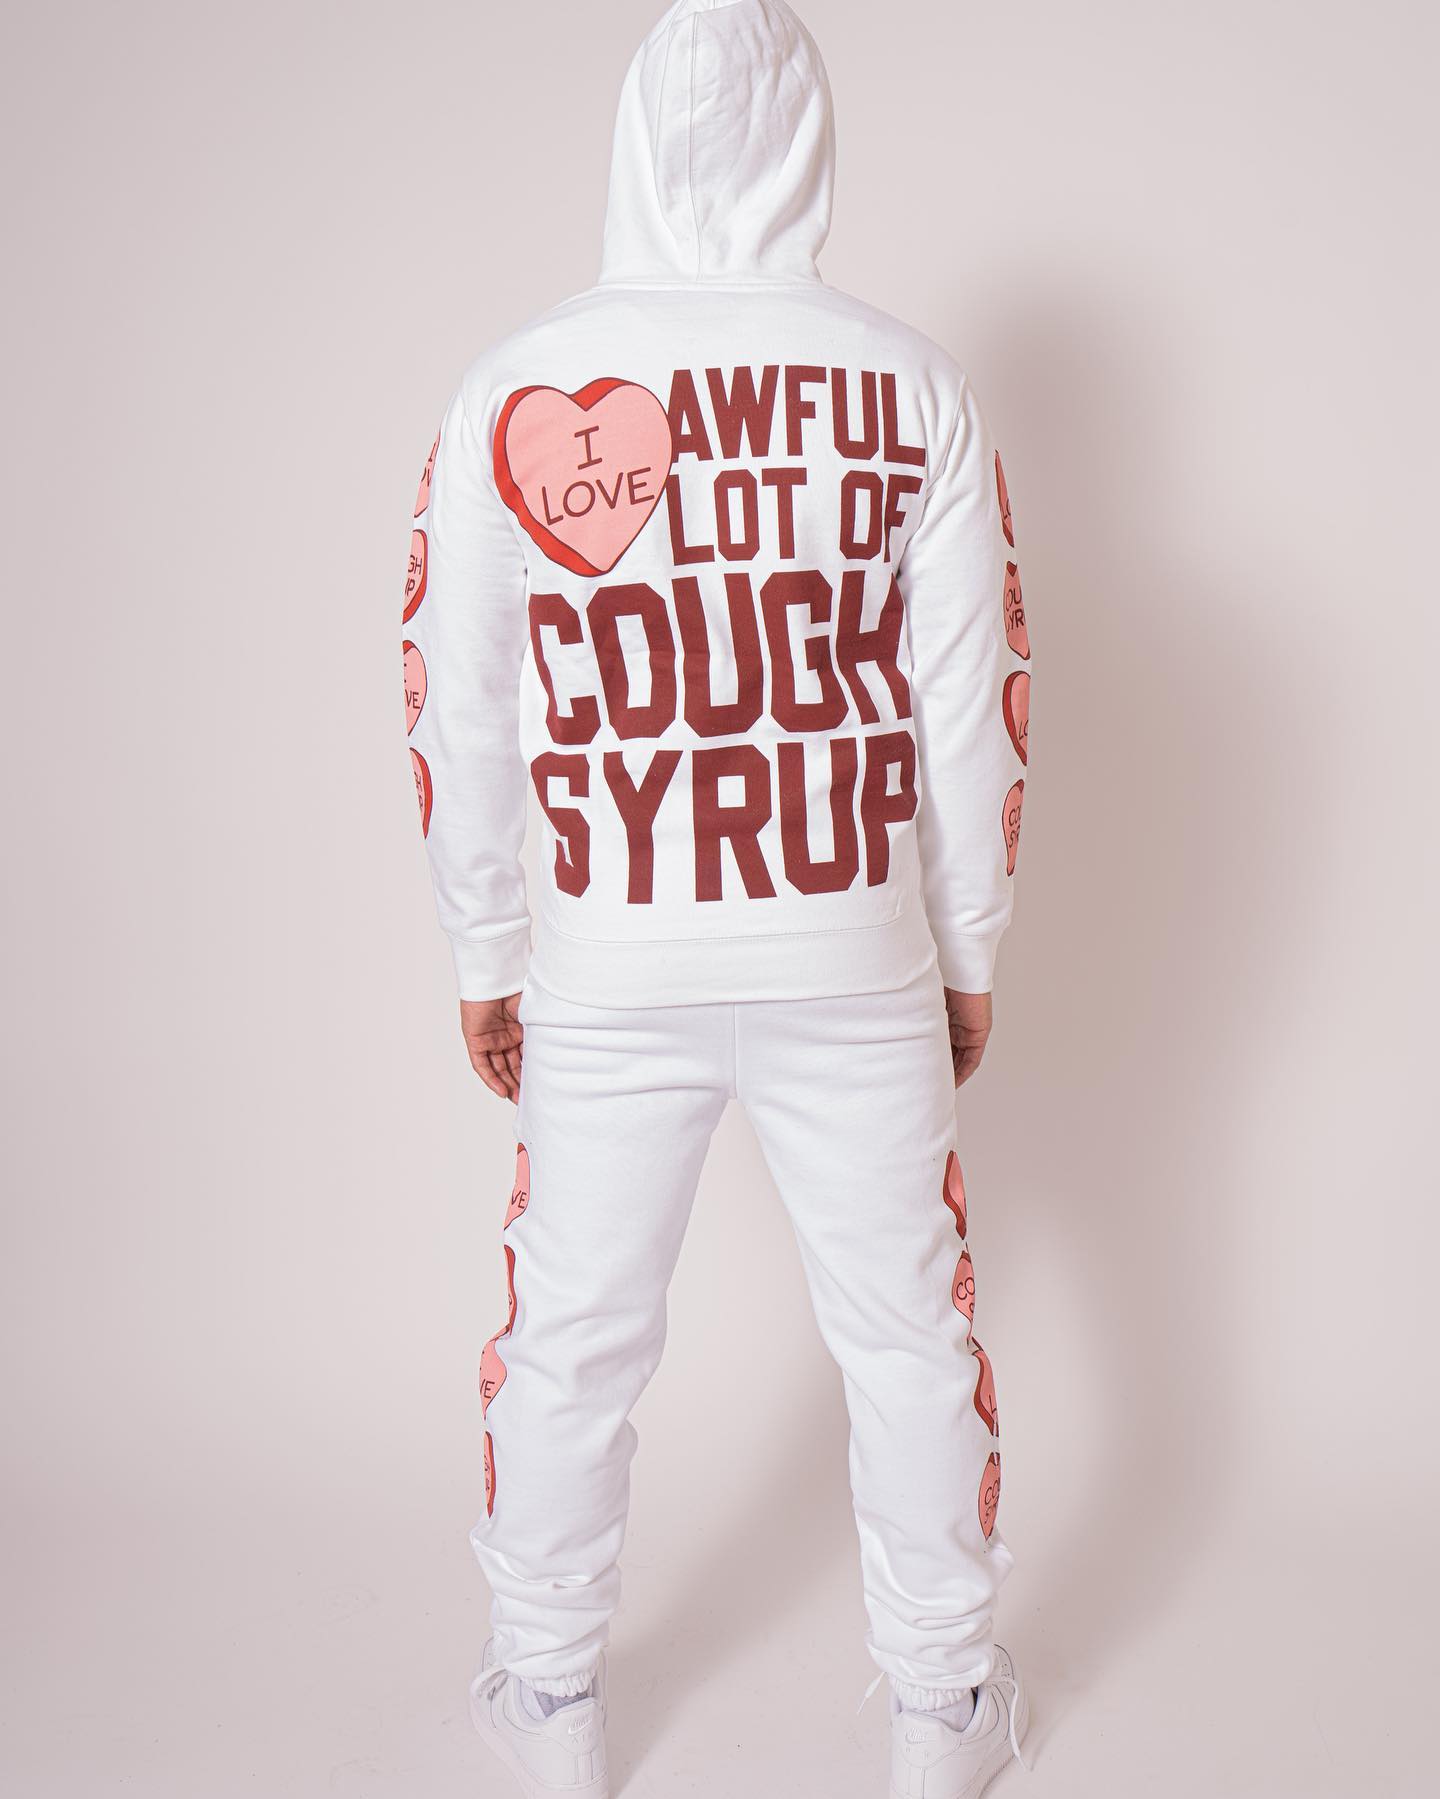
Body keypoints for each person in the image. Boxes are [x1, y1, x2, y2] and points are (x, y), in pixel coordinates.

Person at [401, 3, 1032, 1793]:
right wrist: (967, 946)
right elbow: (972, 704)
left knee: (572, 1344)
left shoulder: (511, 387)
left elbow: (461, 697)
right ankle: (943, 1712)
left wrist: (487, 942)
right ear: (808, 143)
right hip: (856, 948)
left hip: (608, 958)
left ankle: (548, 1706)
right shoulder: (912, 385)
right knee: (910, 1340)